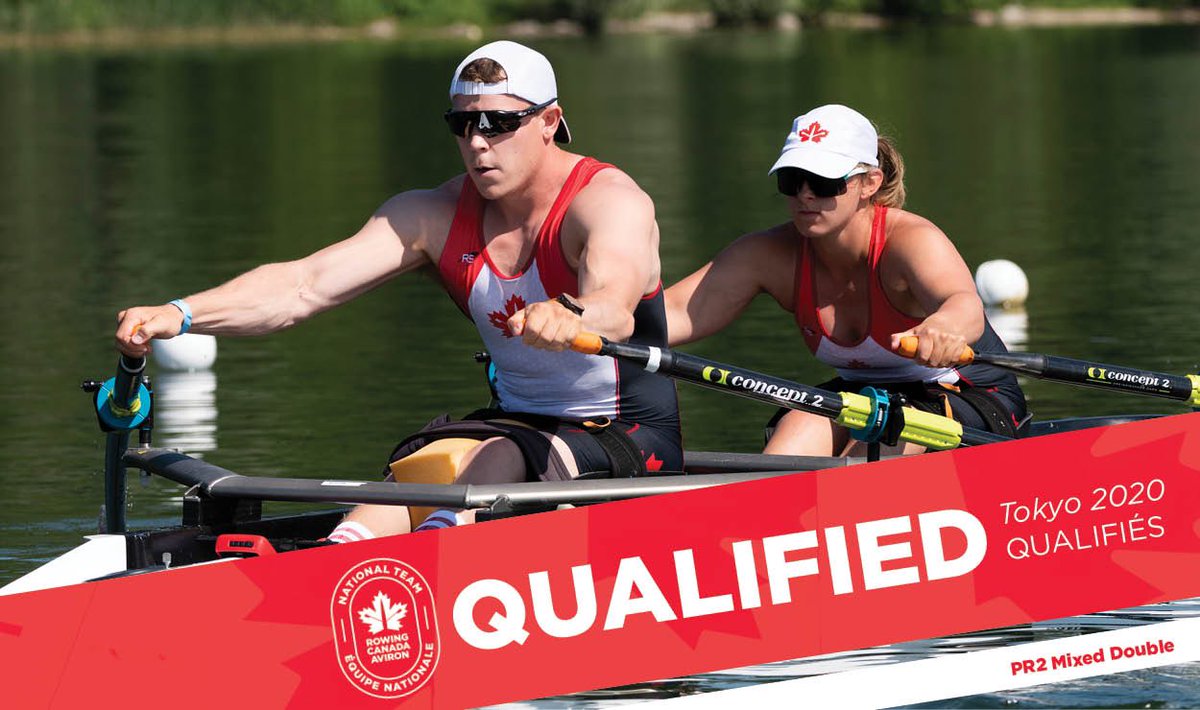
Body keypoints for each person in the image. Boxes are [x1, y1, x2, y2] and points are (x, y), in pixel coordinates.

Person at [114, 40, 681, 542]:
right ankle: (337, 561)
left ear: (550, 120)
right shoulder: (430, 215)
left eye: (498, 124)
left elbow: (615, 304)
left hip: (630, 439)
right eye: (463, 124)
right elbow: (302, 286)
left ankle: (427, 555)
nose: (478, 144)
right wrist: (180, 312)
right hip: (514, 431)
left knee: (494, 456)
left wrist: (573, 316)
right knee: (421, 468)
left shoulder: (608, 202)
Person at [664, 104, 1026, 457]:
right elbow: (673, 312)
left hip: (971, 395)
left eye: (824, 182)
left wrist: (942, 328)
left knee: (889, 429)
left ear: (869, 183)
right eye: (792, 180)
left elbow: (965, 306)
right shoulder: (769, 254)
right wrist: (611, 321)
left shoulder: (911, 241)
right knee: (799, 423)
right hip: (868, 398)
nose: (805, 194)